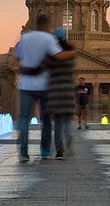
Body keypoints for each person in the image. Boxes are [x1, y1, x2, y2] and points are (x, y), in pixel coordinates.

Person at [14, 14, 75, 162]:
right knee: (46, 119)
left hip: (25, 83)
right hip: (44, 85)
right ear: (47, 25)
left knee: (23, 118)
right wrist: (73, 52)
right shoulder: (49, 39)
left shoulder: (25, 37)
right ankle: (46, 150)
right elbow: (59, 55)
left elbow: (18, 57)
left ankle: (23, 149)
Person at [46, 28, 76, 160]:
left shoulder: (51, 57)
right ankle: (68, 136)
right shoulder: (71, 54)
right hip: (68, 91)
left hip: (56, 92)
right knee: (67, 121)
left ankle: (59, 151)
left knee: (57, 123)